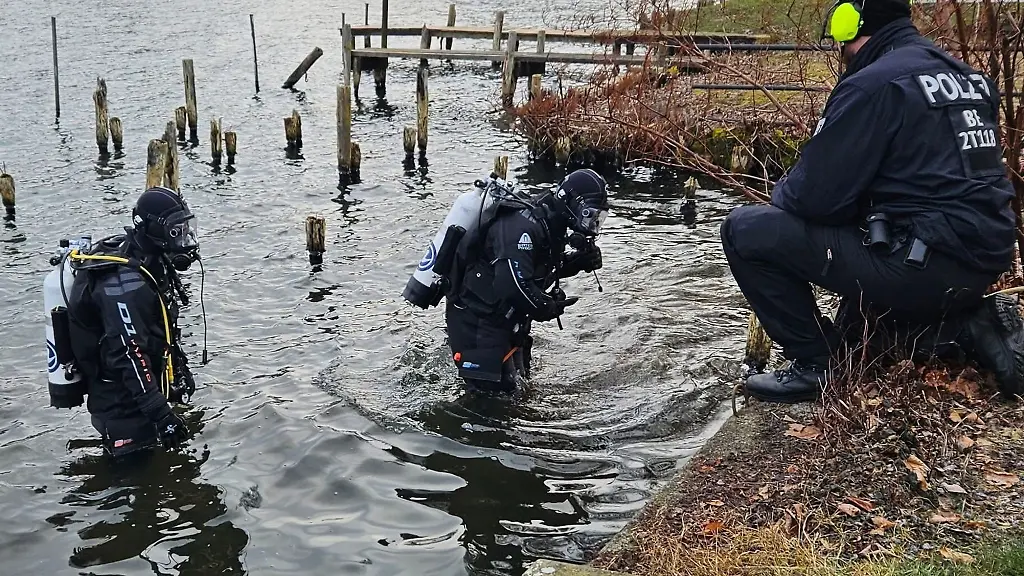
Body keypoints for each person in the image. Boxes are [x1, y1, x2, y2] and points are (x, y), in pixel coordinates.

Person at [720, 0, 1024, 403]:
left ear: (850, 25)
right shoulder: (967, 76)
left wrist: (785, 192)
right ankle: (965, 326)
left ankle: (815, 365)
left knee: (746, 230)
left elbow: (812, 197)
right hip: (981, 262)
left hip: (923, 266)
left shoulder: (874, 84)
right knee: (861, 325)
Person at [444, 169, 609, 395]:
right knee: (491, 405)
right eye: (589, 215)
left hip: (506, 322)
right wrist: (546, 307)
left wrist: (576, 263)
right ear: (570, 202)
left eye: (597, 219)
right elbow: (511, 284)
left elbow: (536, 271)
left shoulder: (552, 223)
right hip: (477, 325)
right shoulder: (521, 228)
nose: (591, 225)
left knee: (521, 392)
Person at [67, 186, 200, 459]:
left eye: (185, 229)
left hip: (140, 391)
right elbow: (129, 353)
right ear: (154, 229)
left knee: (160, 481)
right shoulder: (123, 285)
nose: (184, 239)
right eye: (175, 231)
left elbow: (161, 328)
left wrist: (181, 369)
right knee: (132, 483)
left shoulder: (150, 260)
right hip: (121, 405)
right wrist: (162, 416)